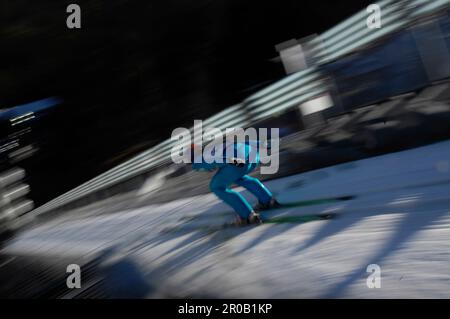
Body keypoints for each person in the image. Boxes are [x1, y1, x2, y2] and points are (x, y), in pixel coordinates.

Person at [191, 141, 279, 225]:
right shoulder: (214, 146)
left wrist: (234, 161)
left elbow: (217, 159)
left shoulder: (198, 161)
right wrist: (263, 144)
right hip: (252, 156)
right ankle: (268, 200)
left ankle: (248, 215)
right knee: (237, 177)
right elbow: (242, 142)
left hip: (237, 162)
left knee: (217, 187)